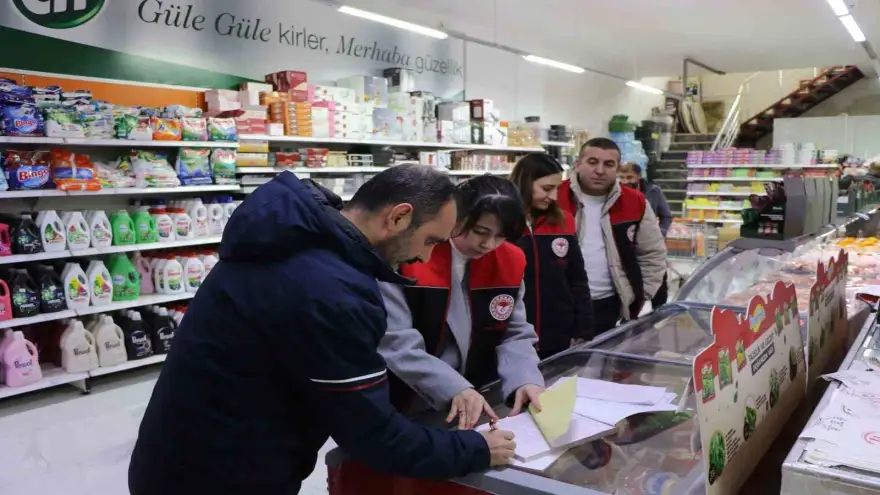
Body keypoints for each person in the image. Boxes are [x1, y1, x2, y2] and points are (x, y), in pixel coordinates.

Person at [128, 167, 517, 495]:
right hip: (218, 477)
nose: (427, 257)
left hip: (184, 455)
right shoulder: (330, 291)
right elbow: (374, 437)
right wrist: (476, 448)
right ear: (398, 217)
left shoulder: (296, 243)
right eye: (431, 240)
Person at [379, 175, 545, 431]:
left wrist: (525, 379)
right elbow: (396, 341)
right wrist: (454, 387)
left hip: (480, 394)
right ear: (458, 216)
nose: (488, 244)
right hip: (409, 397)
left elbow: (514, 332)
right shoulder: (409, 252)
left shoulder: (509, 261)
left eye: (501, 236)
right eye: (480, 231)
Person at [556, 137, 667, 335]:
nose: (600, 170)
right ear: (578, 164)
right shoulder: (554, 198)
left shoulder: (636, 203)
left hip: (608, 305)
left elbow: (653, 254)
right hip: (559, 304)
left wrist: (640, 295)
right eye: (592, 162)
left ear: (617, 168)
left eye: (608, 164)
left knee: (601, 363)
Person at [509, 153, 595, 358]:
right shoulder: (503, 223)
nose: (554, 196)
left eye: (557, 188)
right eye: (547, 189)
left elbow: (577, 279)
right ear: (526, 183)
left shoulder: (563, 220)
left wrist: (583, 328)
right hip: (512, 335)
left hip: (558, 332)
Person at [619, 162, 672, 307]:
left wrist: (660, 233)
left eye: (630, 177)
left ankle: (659, 311)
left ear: (638, 176)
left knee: (659, 278)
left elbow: (666, 216)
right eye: (622, 177)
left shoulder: (653, 191)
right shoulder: (616, 193)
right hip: (628, 244)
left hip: (651, 244)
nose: (625, 181)